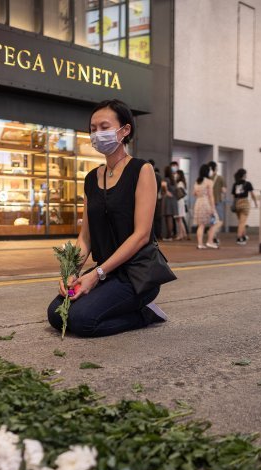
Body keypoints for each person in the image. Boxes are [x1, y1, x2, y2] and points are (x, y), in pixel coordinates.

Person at [47, 99, 167, 337]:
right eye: (93, 129)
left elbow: (142, 235)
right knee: (56, 314)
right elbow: (85, 238)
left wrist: (96, 275)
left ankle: (146, 313)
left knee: (82, 321)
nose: (97, 134)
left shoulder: (141, 171)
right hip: (105, 272)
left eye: (104, 127)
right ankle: (114, 303)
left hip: (137, 274)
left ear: (125, 130)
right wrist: (71, 272)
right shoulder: (92, 178)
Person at [192, 163, 221, 249]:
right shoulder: (209, 182)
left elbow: (194, 193)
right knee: (215, 222)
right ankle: (210, 241)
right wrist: (213, 208)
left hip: (198, 203)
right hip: (206, 203)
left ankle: (200, 244)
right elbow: (211, 196)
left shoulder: (197, 182)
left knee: (201, 225)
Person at [230, 168, 257, 245]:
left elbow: (233, 196)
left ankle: (244, 235)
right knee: (242, 222)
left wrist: (234, 204)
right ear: (244, 175)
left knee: (241, 221)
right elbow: (252, 195)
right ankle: (239, 238)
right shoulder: (248, 183)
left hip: (237, 203)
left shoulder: (235, 184)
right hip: (245, 203)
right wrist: (255, 203)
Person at [208, 161, 226, 244]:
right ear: (216, 168)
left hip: (209, 203)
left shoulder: (208, 178)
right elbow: (224, 190)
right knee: (220, 221)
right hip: (217, 202)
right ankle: (211, 236)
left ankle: (213, 237)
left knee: (213, 221)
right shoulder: (220, 178)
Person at [160, 164, 178, 240]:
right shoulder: (173, 180)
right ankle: (170, 234)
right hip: (173, 200)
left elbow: (164, 188)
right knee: (170, 217)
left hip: (167, 200)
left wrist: (166, 192)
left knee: (168, 218)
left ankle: (169, 236)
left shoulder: (165, 179)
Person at [174, 169, 189, 240]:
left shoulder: (180, 183)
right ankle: (183, 233)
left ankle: (181, 234)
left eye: (176, 174)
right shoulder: (181, 182)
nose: (175, 175)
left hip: (179, 201)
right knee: (179, 219)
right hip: (179, 201)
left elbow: (179, 193)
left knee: (179, 219)